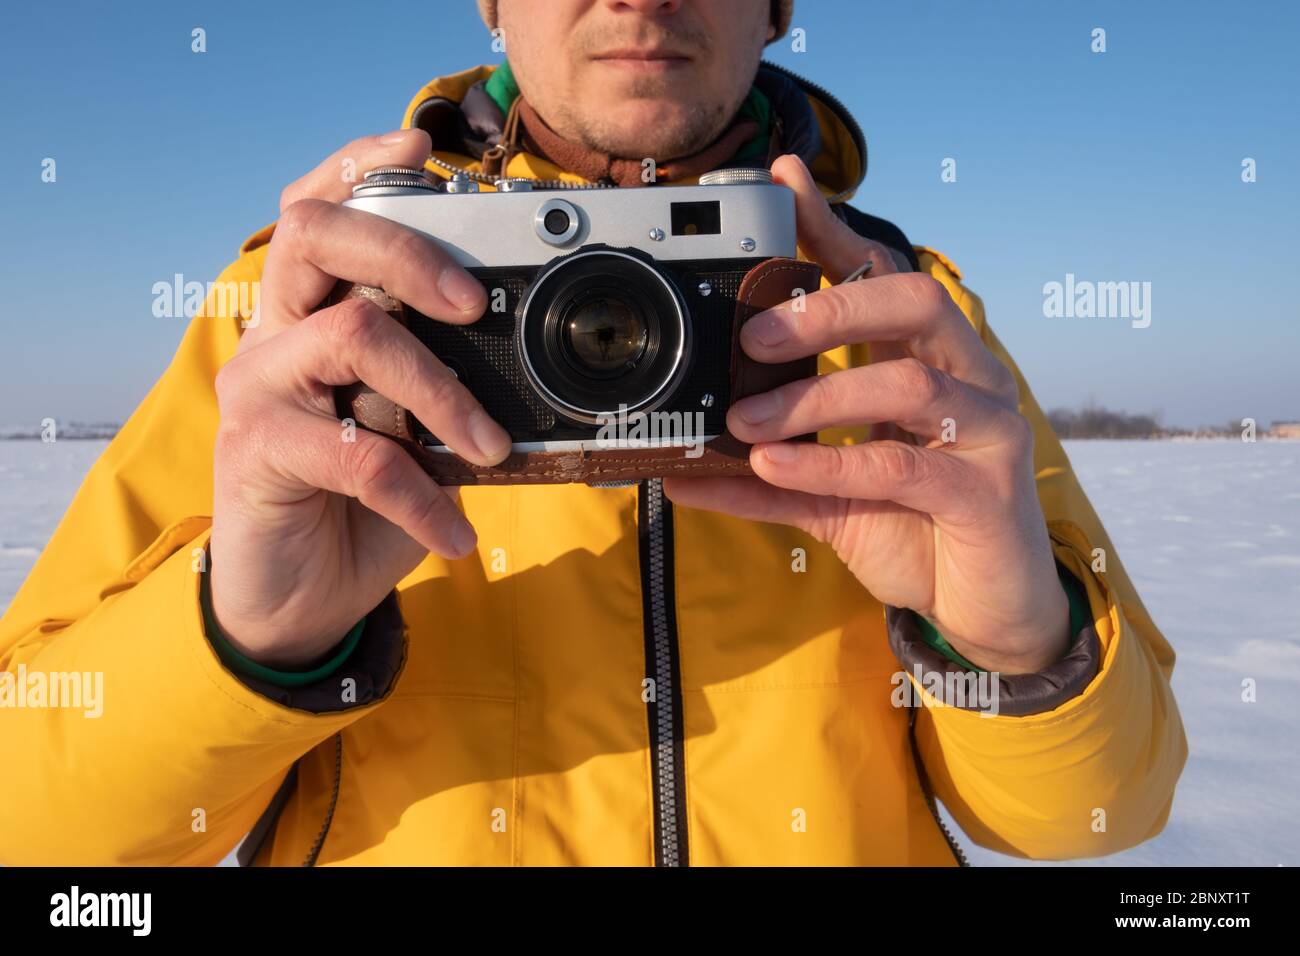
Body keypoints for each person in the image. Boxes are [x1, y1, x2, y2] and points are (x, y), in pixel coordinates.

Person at [0, 0, 1186, 866]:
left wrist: (1014, 649)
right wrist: (245, 639)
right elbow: (36, 829)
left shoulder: (904, 319)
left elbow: (1100, 814)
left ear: (775, 8)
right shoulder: (310, 315)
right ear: (492, 5)